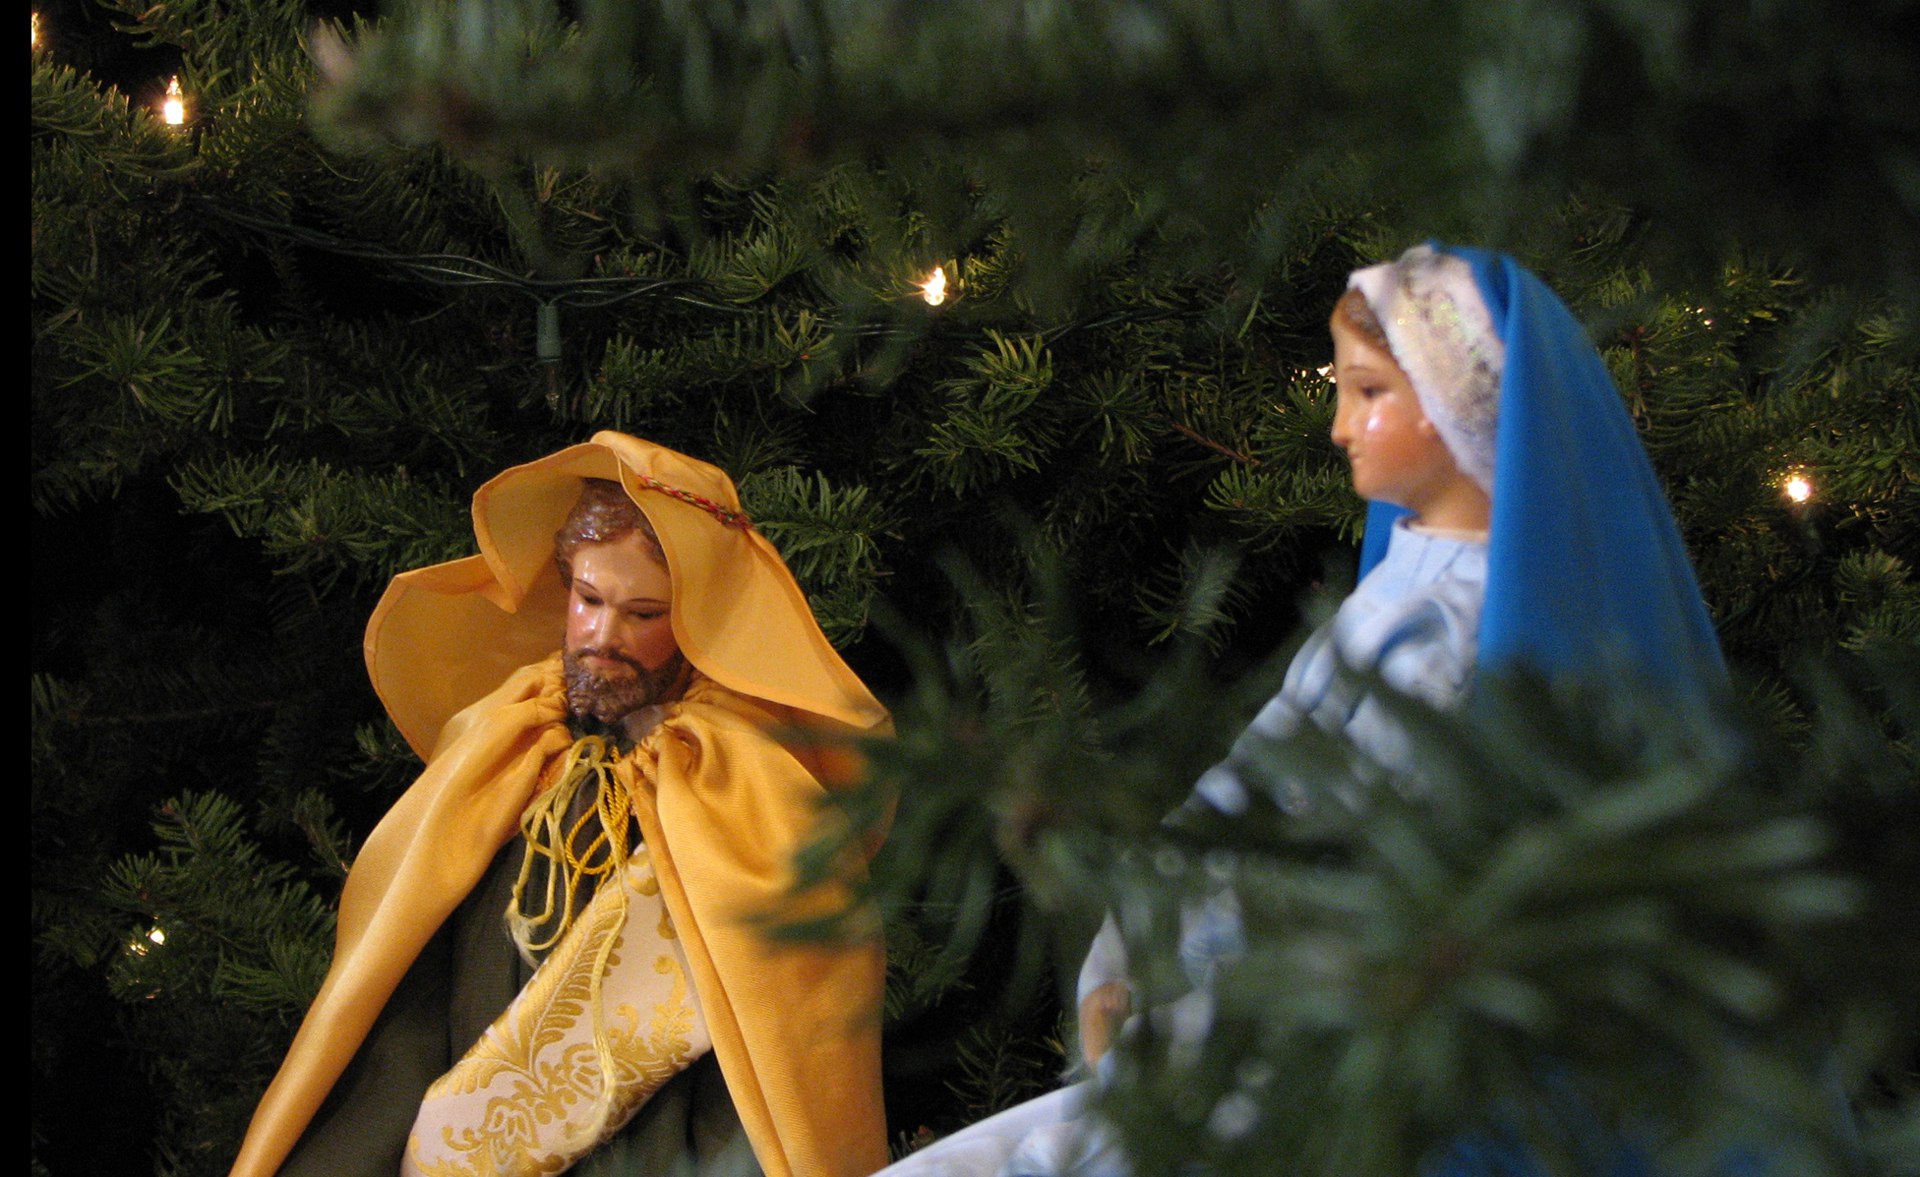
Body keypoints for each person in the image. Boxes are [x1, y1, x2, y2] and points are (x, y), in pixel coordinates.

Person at [868, 242, 1724, 1176]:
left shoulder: (1457, 623)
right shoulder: (1410, 580)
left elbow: (1348, 836)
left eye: (1367, 393)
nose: (1338, 427)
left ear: (1451, 406)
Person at [228, 432, 895, 1177]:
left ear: (697, 620)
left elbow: (772, 1031)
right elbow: (401, 987)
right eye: (588, 599)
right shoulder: (506, 745)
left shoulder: (740, 782)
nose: (603, 636)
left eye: (643, 613)